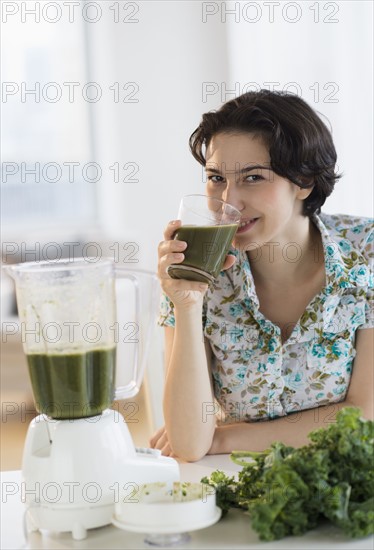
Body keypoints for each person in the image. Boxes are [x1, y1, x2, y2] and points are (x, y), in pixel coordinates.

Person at [149, 90, 373, 462]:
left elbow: (364, 416)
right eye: (216, 177)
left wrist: (223, 438)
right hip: (237, 486)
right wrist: (186, 304)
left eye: (253, 177)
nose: (230, 201)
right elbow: (189, 443)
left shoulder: (364, 251)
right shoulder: (195, 267)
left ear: (304, 182)